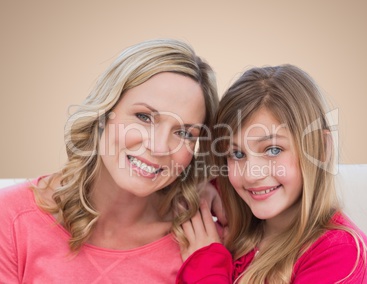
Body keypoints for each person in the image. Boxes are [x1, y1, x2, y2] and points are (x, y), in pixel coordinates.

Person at [0, 38, 222, 283]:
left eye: (183, 133)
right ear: (104, 114)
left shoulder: (203, 248)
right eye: (144, 117)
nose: (158, 147)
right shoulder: (11, 220)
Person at [176, 65, 367, 283]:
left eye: (273, 150)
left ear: (321, 149)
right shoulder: (238, 218)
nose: (251, 174)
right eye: (237, 154)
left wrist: (206, 264)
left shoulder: (338, 251)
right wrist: (206, 188)